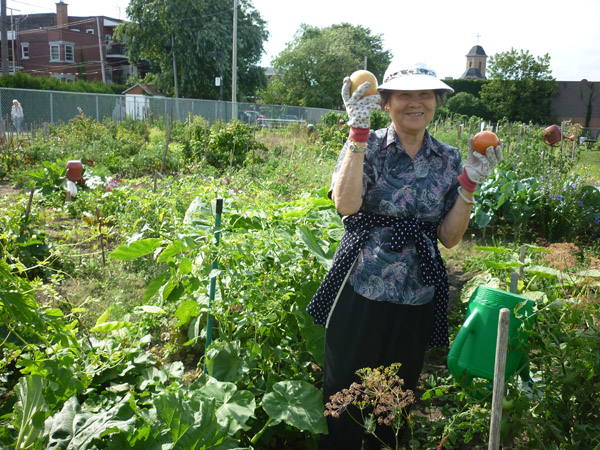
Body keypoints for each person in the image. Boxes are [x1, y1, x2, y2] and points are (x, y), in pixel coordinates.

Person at [307, 61, 502, 449]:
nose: (416, 103)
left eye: (425, 94)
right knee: (344, 393)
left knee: (394, 401)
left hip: (416, 294)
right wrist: (357, 132)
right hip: (361, 285)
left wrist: (469, 183)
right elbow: (346, 205)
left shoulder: (447, 159)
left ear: (436, 102)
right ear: (385, 102)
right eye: (405, 95)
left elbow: (449, 237)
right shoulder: (367, 144)